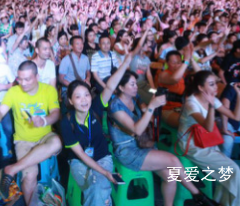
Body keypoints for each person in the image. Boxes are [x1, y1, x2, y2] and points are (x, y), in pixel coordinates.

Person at [108, 70, 218, 206]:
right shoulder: (115, 106)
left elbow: (150, 119)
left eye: (136, 84)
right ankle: (199, 196)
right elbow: (137, 129)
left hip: (143, 145)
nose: (136, 87)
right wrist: (151, 107)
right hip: (128, 152)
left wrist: (156, 107)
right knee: (173, 160)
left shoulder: (135, 99)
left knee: (170, 177)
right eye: (132, 84)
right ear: (120, 87)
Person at [0, 61, 62, 204]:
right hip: (23, 140)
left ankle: (11, 169)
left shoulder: (49, 90)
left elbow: (55, 113)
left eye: (27, 79)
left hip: (44, 137)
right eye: (19, 79)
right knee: (30, 176)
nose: (22, 83)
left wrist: (43, 121)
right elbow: (0, 111)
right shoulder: (13, 92)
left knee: (56, 142)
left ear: (37, 76)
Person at [60, 53, 133, 206]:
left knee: (97, 188)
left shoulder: (96, 108)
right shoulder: (66, 122)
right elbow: (79, 153)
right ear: (71, 101)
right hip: (79, 162)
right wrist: (105, 173)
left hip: (102, 158)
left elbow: (111, 86)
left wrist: (125, 63)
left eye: (86, 95)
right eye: (78, 97)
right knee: (99, 187)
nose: (84, 100)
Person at [178, 70, 240, 206]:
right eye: (212, 84)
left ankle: (223, 202)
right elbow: (208, 127)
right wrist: (211, 106)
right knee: (233, 170)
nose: (216, 87)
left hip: (206, 142)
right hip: (192, 145)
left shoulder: (212, 100)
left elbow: (235, 117)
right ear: (201, 88)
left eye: (216, 84)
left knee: (230, 173)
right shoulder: (191, 103)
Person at [59, 36, 91, 102]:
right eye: (77, 44)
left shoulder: (85, 58)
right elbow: (61, 79)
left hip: (82, 88)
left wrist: (87, 79)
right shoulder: (66, 60)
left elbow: (88, 72)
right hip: (68, 89)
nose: (80, 46)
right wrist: (73, 86)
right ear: (71, 46)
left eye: (81, 43)